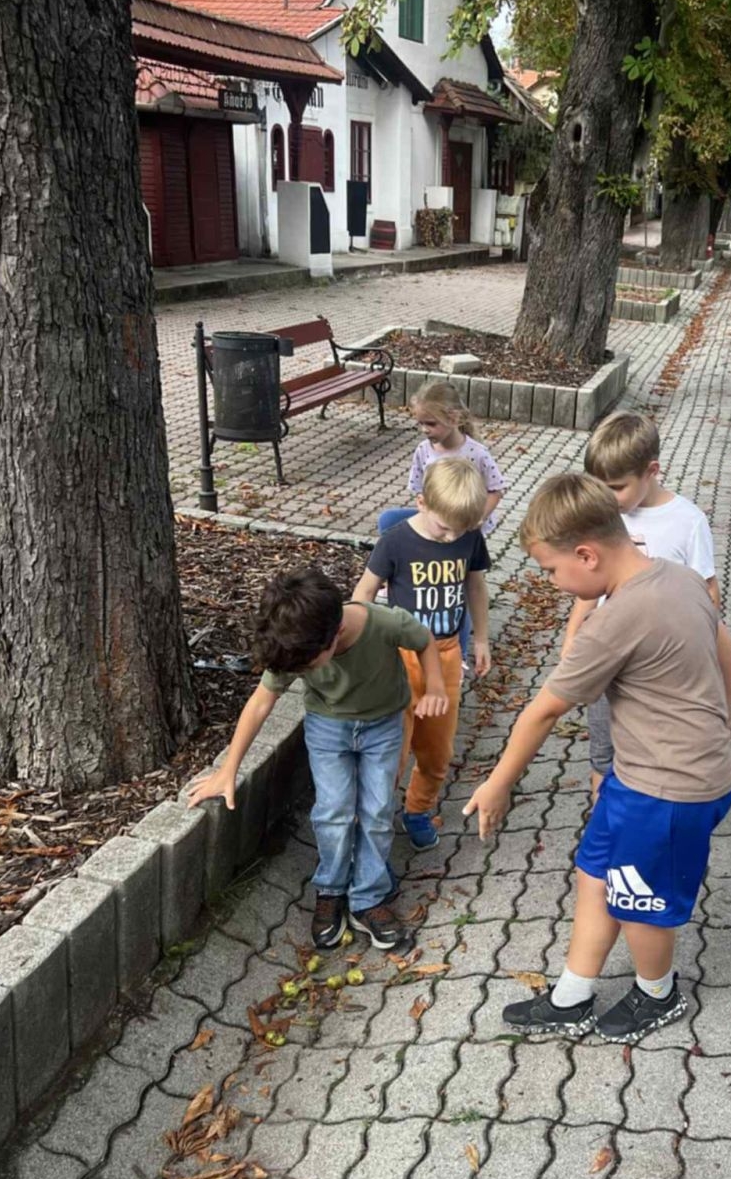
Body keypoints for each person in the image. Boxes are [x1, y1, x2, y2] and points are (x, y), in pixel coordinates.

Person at [464, 474, 731, 1044]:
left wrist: (498, 784)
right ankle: (573, 997)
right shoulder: (679, 577)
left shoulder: (611, 623)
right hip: (635, 778)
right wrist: (724, 720)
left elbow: (543, 712)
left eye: (550, 570)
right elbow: (724, 646)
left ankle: (658, 993)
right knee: (596, 873)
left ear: (587, 555)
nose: (552, 582)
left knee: (638, 901)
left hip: (668, 792)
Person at [188, 566, 447, 951]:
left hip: (383, 727)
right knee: (333, 810)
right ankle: (331, 889)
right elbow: (260, 703)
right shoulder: (299, 641)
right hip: (328, 729)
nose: (303, 671)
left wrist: (436, 686)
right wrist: (229, 769)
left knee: (377, 810)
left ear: (336, 632)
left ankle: (369, 897)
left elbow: (423, 640)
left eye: (308, 667)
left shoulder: (382, 623)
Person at [562, 411, 720, 796]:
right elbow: (591, 590)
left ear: (651, 471)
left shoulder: (687, 521)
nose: (606, 498)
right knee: (603, 753)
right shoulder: (604, 517)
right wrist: (572, 640)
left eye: (616, 487)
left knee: (655, 749)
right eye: (598, 487)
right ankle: (603, 817)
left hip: (659, 666)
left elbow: (707, 593)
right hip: (609, 653)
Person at [354, 458, 491, 853]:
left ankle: (418, 810)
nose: (452, 537)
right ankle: (374, 819)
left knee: (437, 749)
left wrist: (481, 639)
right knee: (392, 748)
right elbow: (364, 593)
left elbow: (475, 586)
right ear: (422, 503)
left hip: (446, 655)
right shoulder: (395, 541)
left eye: (461, 529)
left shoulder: (468, 537)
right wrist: (361, 647)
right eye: (445, 527)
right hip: (400, 656)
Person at [378, 381, 506, 665]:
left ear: (454, 418)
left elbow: (496, 489)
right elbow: (419, 490)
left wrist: (476, 518)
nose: (425, 429)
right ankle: (396, 575)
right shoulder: (424, 450)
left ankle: (459, 652)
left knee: (459, 590)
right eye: (420, 423)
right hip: (435, 518)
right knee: (388, 520)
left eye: (431, 423)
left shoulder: (476, 453)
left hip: (464, 528)